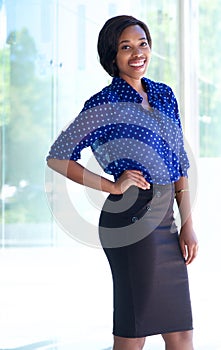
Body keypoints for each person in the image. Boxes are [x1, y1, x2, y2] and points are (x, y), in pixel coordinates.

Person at [46, 15, 198, 350]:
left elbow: (179, 164)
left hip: (166, 220)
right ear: (111, 57)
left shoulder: (163, 94)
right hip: (130, 218)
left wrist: (187, 223)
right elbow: (57, 157)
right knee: (135, 330)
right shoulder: (104, 104)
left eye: (142, 44)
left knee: (181, 332)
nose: (137, 53)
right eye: (125, 47)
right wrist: (112, 186)